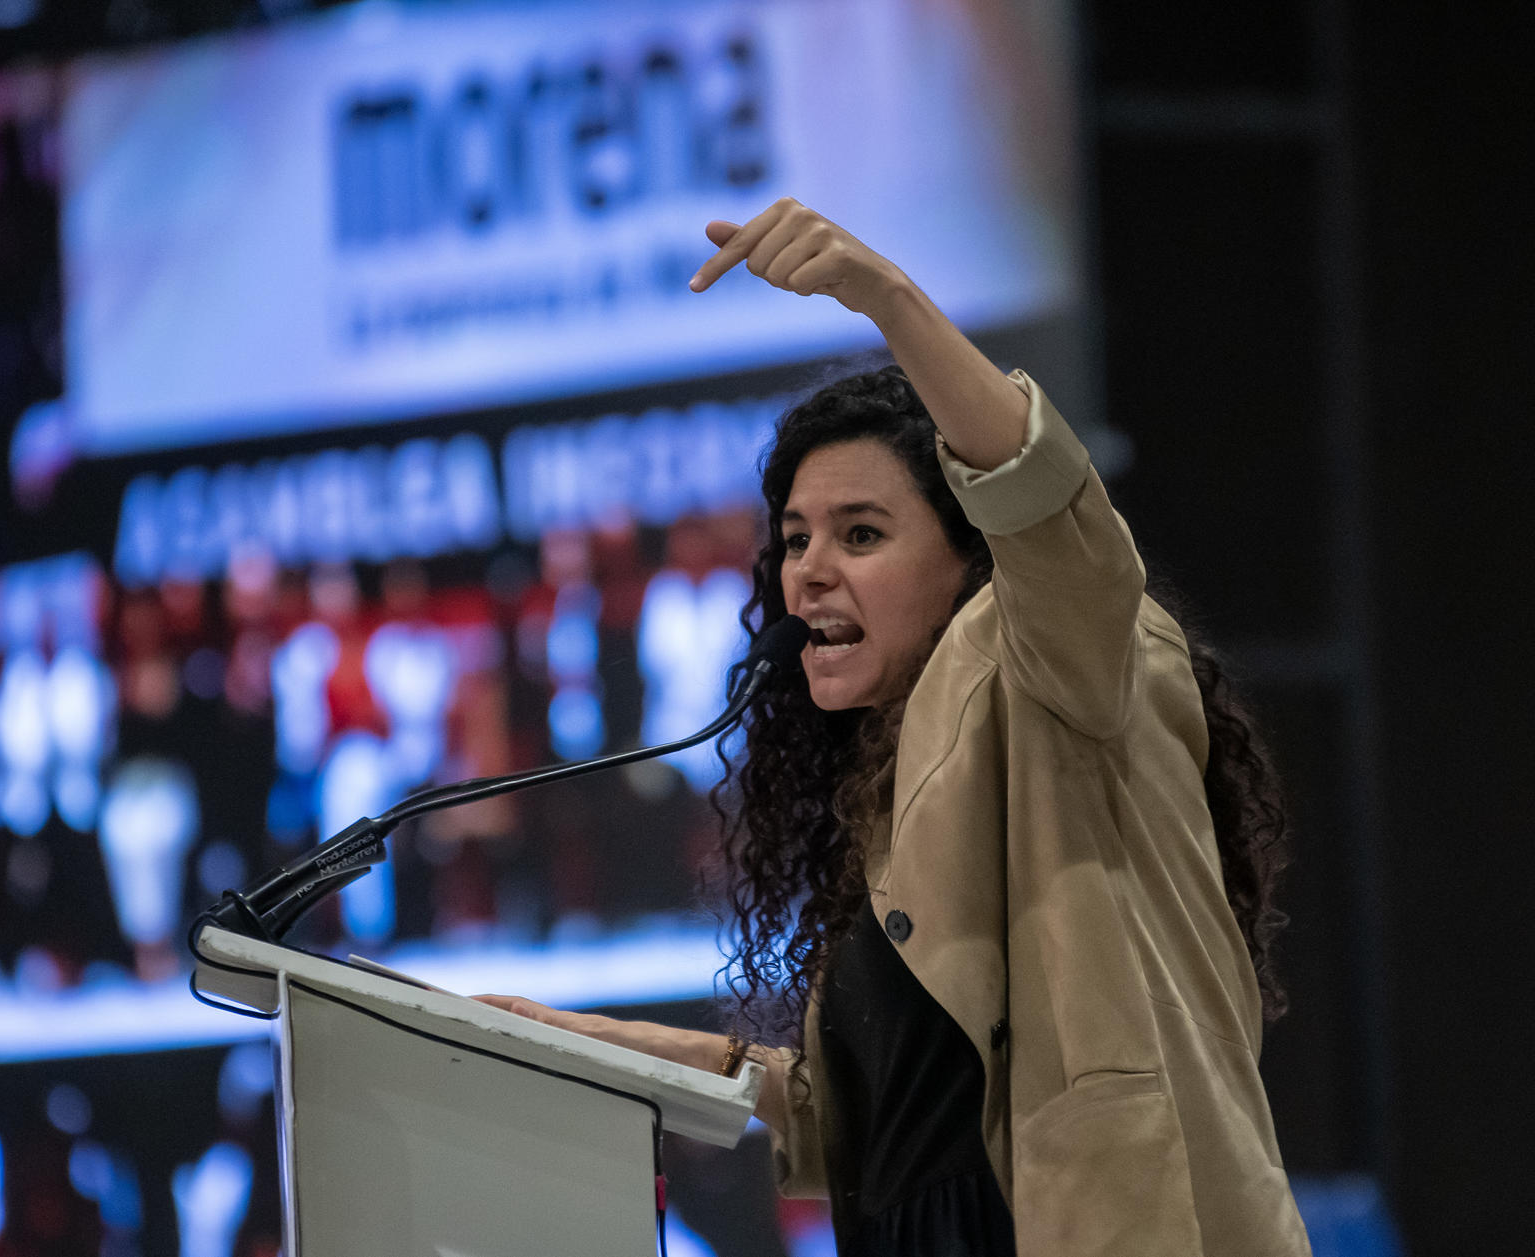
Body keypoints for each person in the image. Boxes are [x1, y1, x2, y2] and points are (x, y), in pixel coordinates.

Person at [476, 198, 1312, 1256]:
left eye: (861, 533)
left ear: (975, 558)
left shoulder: (1062, 664)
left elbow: (1045, 509)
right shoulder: (886, 794)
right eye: (794, 540)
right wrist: (581, 1043)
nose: (809, 569)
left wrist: (886, 299)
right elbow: (854, 1119)